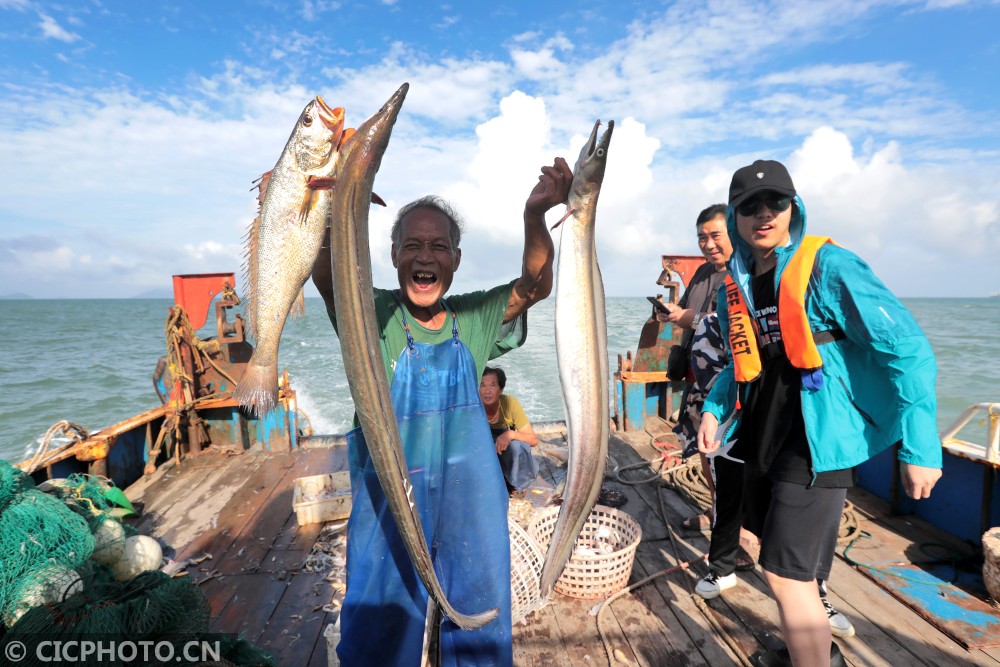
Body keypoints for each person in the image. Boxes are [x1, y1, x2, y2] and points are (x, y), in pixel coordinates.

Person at [312, 158, 573, 667]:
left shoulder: (472, 317)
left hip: (467, 501)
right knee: (380, 628)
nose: (424, 256)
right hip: (392, 498)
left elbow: (535, 285)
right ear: (392, 256)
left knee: (481, 621)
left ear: (454, 259)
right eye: (412, 245)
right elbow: (329, 275)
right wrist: (334, 212)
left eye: (437, 246)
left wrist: (534, 215)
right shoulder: (372, 313)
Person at [698, 159, 943, 667]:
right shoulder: (734, 286)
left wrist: (921, 446)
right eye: (750, 206)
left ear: (793, 208)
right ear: (735, 216)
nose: (764, 214)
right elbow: (742, 362)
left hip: (817, 442)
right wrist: (713, 408)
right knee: (781, 565)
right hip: (761, 438)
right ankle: (812, 652)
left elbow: (908, 350)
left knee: (786, 575)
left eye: (776, 203)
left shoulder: (830, 267)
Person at [658, 204, 759, 578]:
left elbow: (735, 326)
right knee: (706, 454)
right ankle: (718, 515)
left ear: (733, 233)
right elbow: (691, 315)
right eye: (702, 237)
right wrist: (671, 313)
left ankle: (742, 538)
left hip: (733, 384)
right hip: (702, 384)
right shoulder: (702, 274)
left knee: (733, 459)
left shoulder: (743, 274)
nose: (708, 244)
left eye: (716, 235)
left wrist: (690, 319)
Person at [479, 366, 540, 494]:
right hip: (486, 458)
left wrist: (510, 434)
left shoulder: (510, 404)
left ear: (501, 389)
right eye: (483, 385)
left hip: (508, 458)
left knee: (516, 447)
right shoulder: (473, 406)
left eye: (493, 385)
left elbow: (533, 440)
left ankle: (515, 485)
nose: (487, 391)